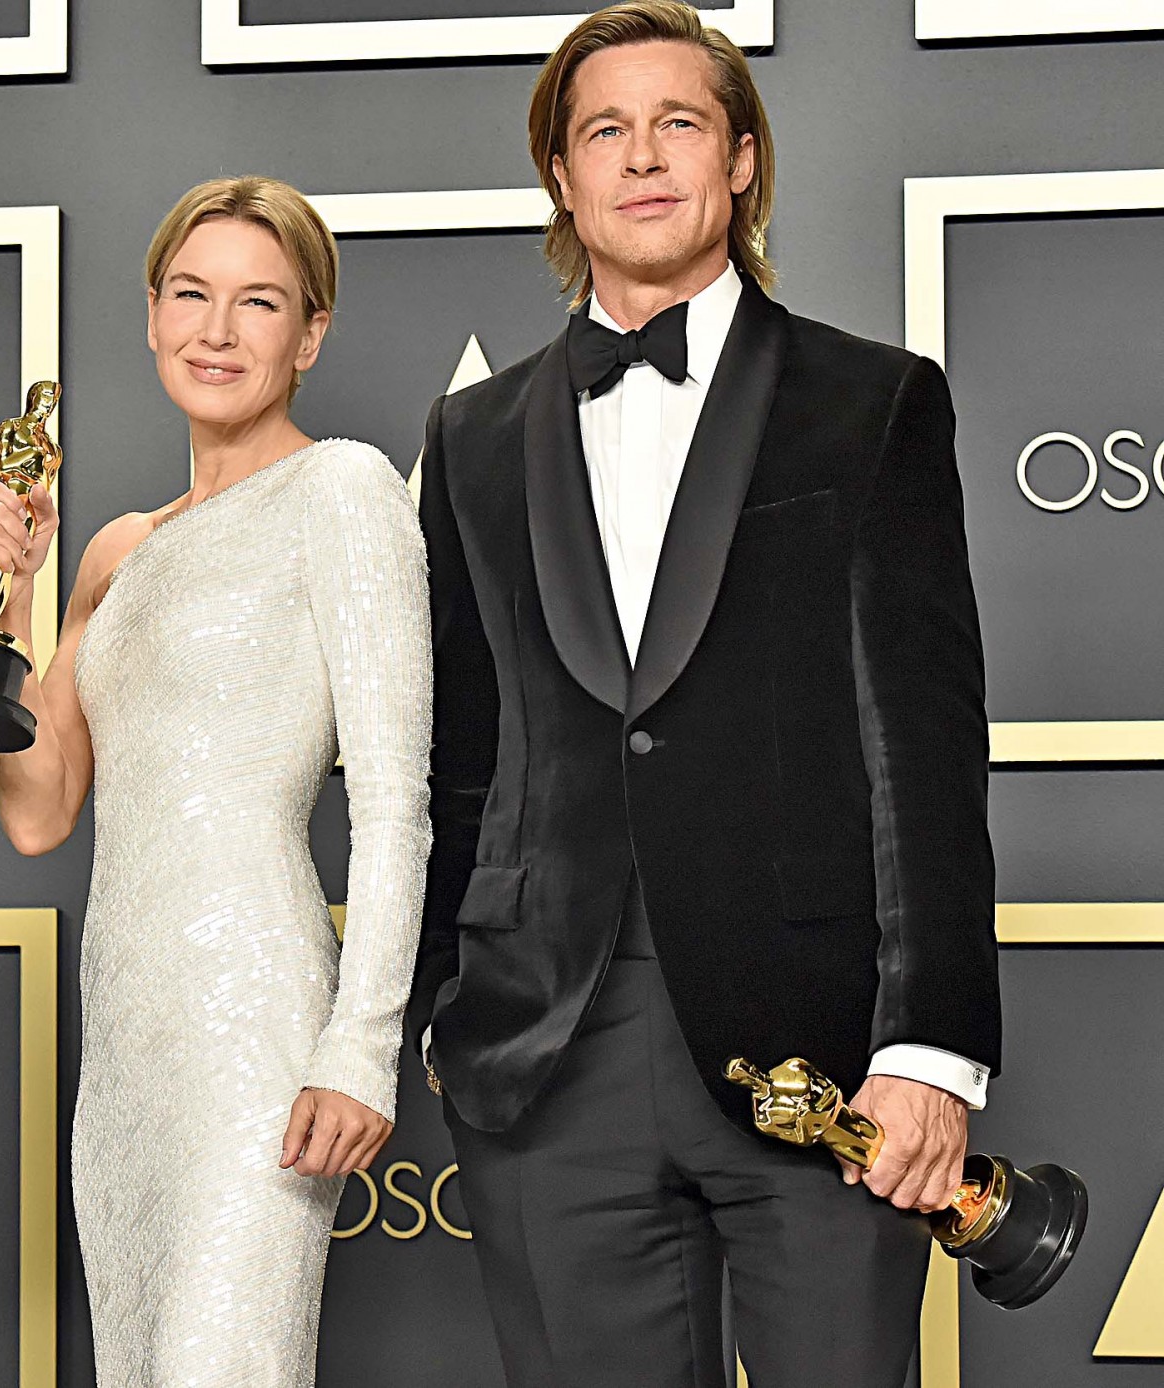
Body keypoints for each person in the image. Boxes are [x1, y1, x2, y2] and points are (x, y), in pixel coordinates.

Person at [408, 6, 1000, 1385]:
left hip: (824, 1048)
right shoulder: (471, 437)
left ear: (739, 160)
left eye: (677, 123)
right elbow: (462, 751)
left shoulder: (873, 400)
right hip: (546, 1051)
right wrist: (443, 1004)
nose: (641, 156)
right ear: (562, 177)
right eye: (603, 131)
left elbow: (924, 747)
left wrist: (930, 1046)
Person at [0, 175, 430, 1385]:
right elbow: (40, 808)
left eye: (258, 302)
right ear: (151, 315)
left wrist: (359, 1044)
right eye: (189, 293)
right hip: (127, 1039)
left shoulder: (344, 489)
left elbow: (393, 799)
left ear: (308, 335)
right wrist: (6, 603)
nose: (216, 330)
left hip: (254, 1024)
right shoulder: (118, 546)